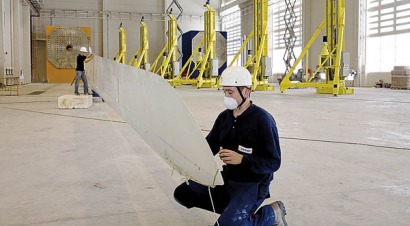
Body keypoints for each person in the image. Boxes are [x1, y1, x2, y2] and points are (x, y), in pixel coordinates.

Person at [174, 66, 287, 226]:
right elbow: (209, 146)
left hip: (252, 185)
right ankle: (234, 213)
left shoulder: (263, 120)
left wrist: (242, 160)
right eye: (224, 92)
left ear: (246, 92)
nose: (226, 96)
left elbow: (273, 163)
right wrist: (188, 156)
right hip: (228, 179)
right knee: (184, 193)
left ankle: (271, 214)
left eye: (230, 92)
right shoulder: (224, 118)